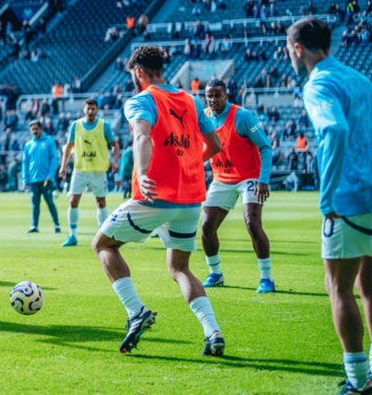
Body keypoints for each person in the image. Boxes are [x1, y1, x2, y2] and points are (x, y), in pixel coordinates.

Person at [92, 45, 226, 356]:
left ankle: (136, 312)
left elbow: (142, 136)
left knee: (102, 245)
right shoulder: (191, 101)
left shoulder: (142, 100)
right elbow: (215, 144)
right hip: (191, 199)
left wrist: (144, 170)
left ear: (138, 72)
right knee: (180, 268)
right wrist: (190, 165)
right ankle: (212, 331)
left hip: (154, 197)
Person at [286, 18, 372, 395]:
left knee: (338, 287)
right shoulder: (358, 78)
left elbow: (334, 130)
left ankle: (358, 381)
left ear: (298, 48)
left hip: (348, 198)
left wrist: (326, 194)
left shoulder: (319, 84)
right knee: (369, 282)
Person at [200, 79, 276, 293]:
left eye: (217, 95)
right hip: (221, 178)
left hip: (249, 177)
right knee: (206, 227)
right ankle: (215, 274)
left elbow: (266, 147)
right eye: (209, 96)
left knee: (252, 223)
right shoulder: (203, 117)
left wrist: (263, 179)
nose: (213, 99)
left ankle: (266, 279)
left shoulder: (242, 116)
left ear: (226, 96)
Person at [59, 98, 120, 246]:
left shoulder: (104, 125)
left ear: (97, 110)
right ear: (83, 109)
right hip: (80, 169)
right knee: (73, 201)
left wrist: (115, 161)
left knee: (101, 202)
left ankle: (102, 235)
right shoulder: (76, 125)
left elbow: (114, 145)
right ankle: (72, 235)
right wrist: (63, 165)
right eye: (88, 109)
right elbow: (69, 146)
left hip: (99, 169)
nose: (90, 111)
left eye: (93, 109)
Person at [21, 120, 60, 234]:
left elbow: (54, 159)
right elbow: (25, 163)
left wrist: (51, 175)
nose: (34, 131)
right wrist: (25, 179)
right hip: (33, 180)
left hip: (45, 179)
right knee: (34, 204)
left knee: (50, 203)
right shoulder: (28, 145)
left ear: (41, 129)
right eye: (32, 129)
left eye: (36, 129)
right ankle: (34, 225)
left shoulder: (48, 141)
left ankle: (56, 225)